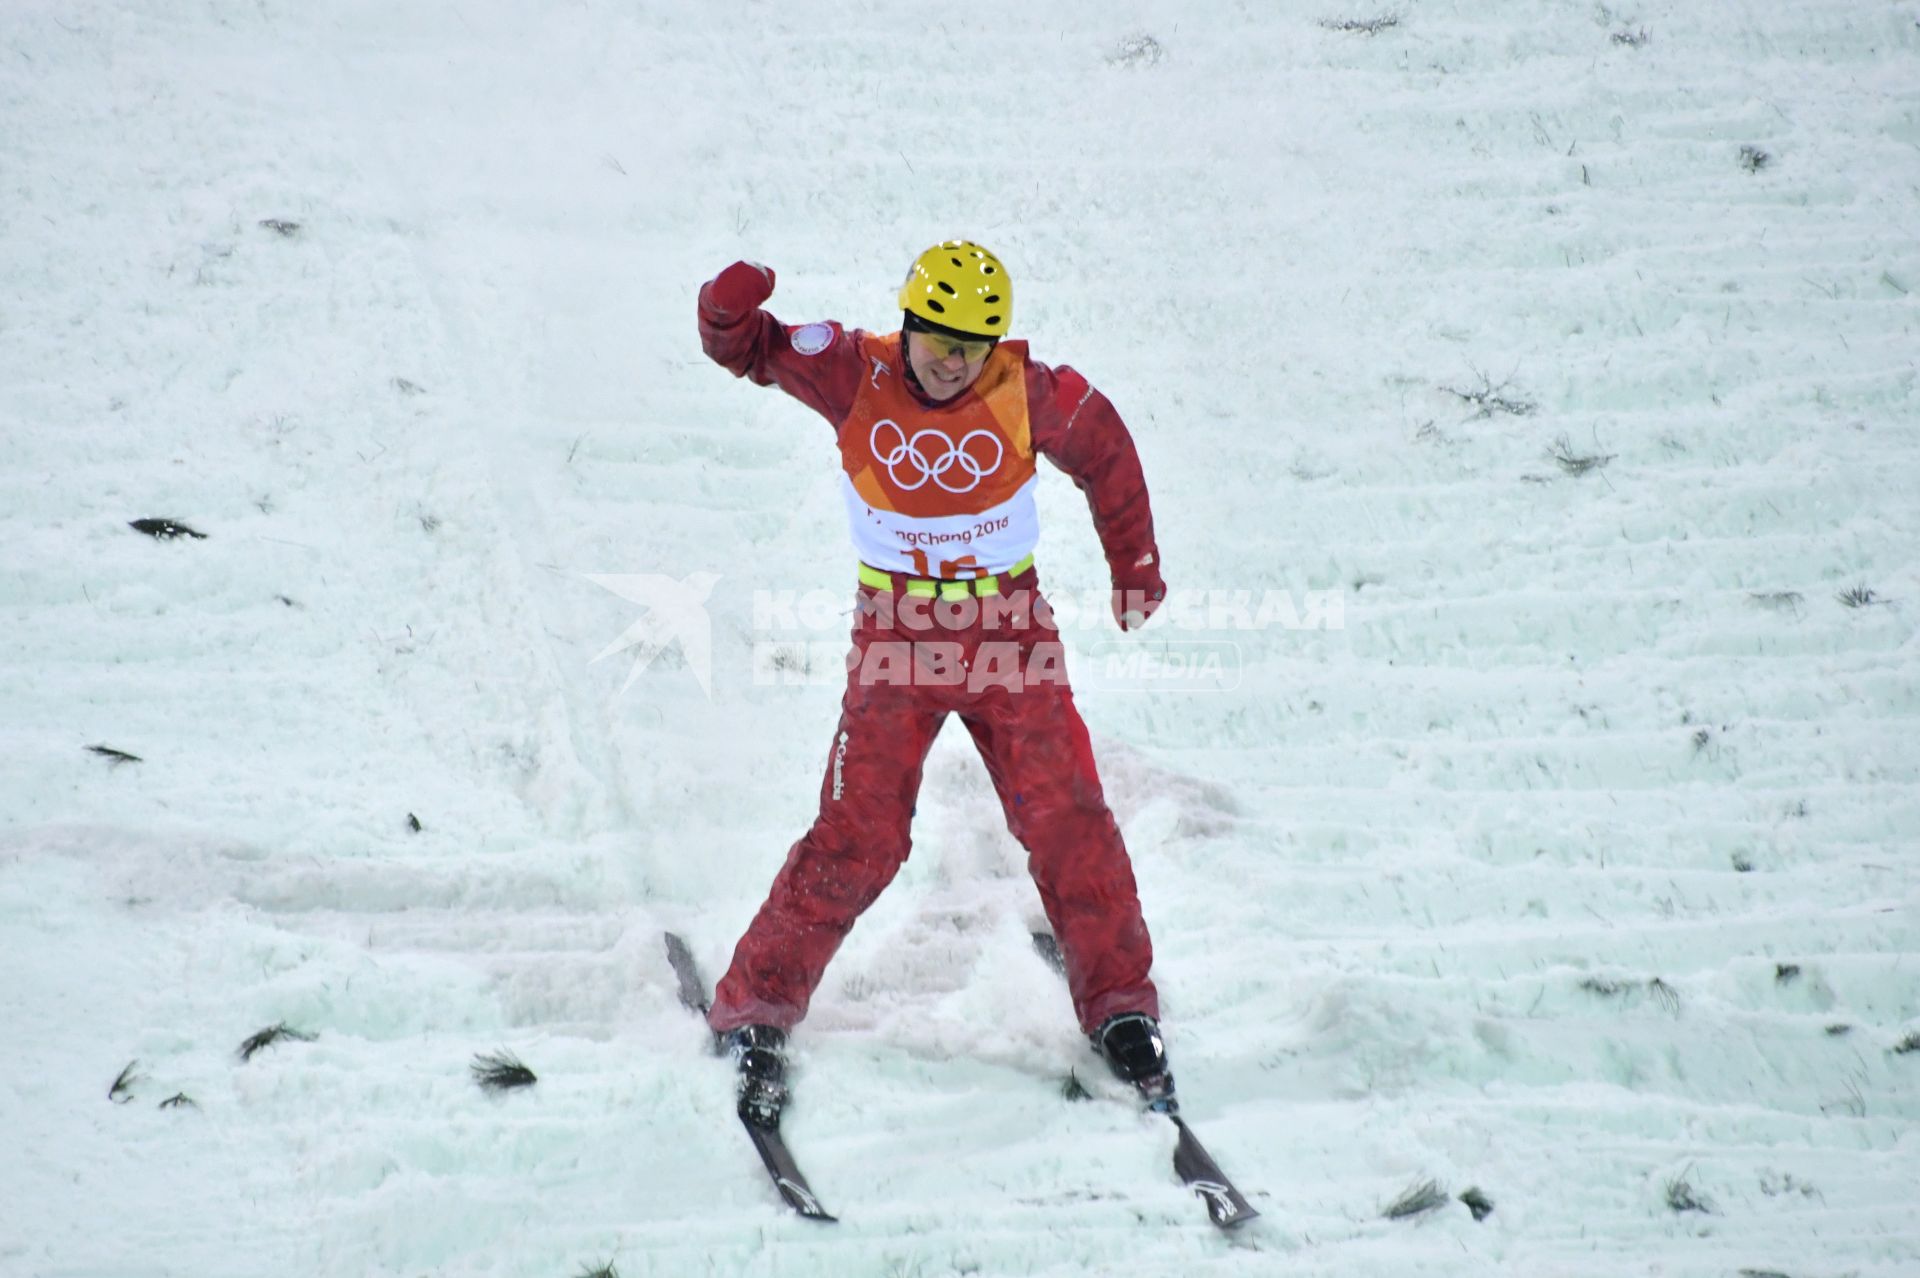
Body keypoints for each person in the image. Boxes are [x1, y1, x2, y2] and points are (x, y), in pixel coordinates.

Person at [695, 241, 1173, 1126]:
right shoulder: (851, 370)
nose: (954, 358)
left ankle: (1120, 1005)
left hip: (1009, 633)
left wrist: (1134, 563)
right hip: (900, 639)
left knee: (1066, 816)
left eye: (975, 342)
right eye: (939, 336)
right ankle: (756, 1003)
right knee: (861, 833)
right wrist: (727, 313)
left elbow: (1104, 447)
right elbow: (748, 349)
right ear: (909, 323)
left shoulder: (1026, 393)